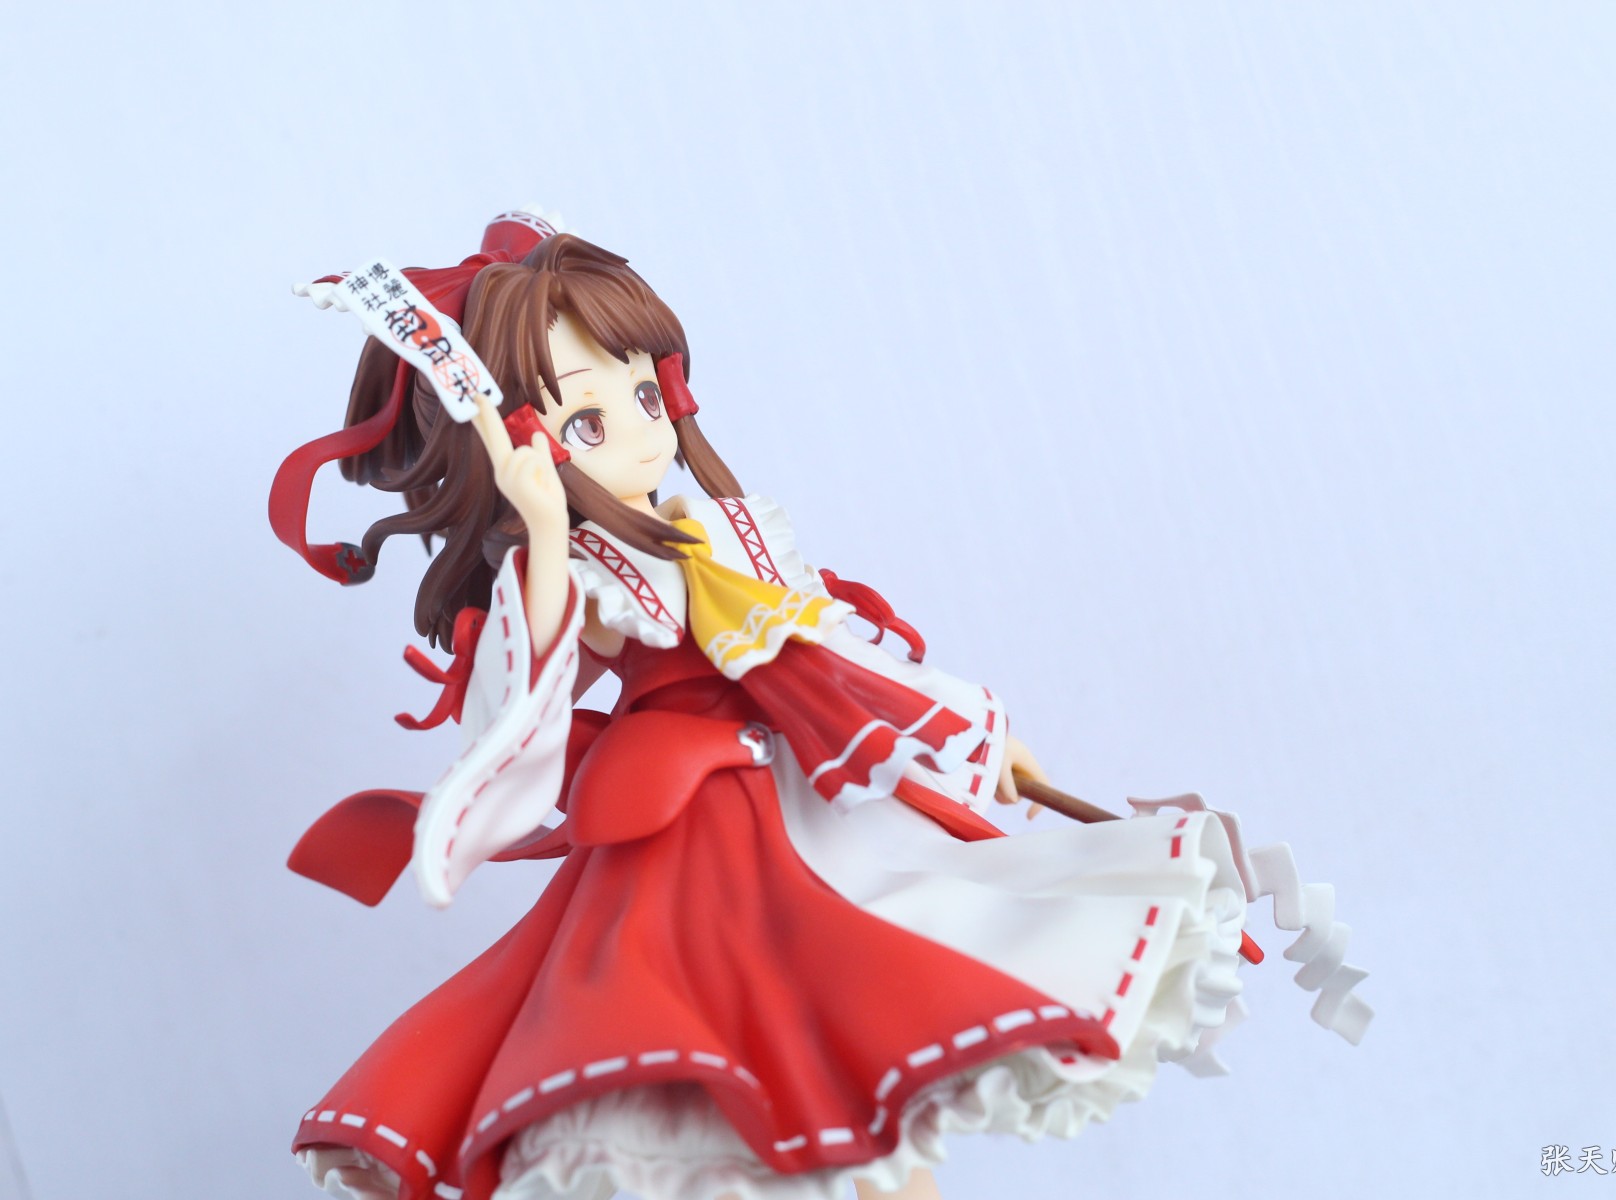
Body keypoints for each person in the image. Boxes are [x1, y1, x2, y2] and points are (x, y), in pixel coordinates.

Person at [272, 210, 1370, 1200]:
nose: (642, 432)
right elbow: (534, 683)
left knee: (888, 1019)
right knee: (726, 1061)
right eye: (589, 420)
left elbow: (827, 654)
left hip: (820, 799)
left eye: (644, 395)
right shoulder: (586, 566)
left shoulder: (731, 536)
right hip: (690, 843)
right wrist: (548, 526)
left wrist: (979, 735)